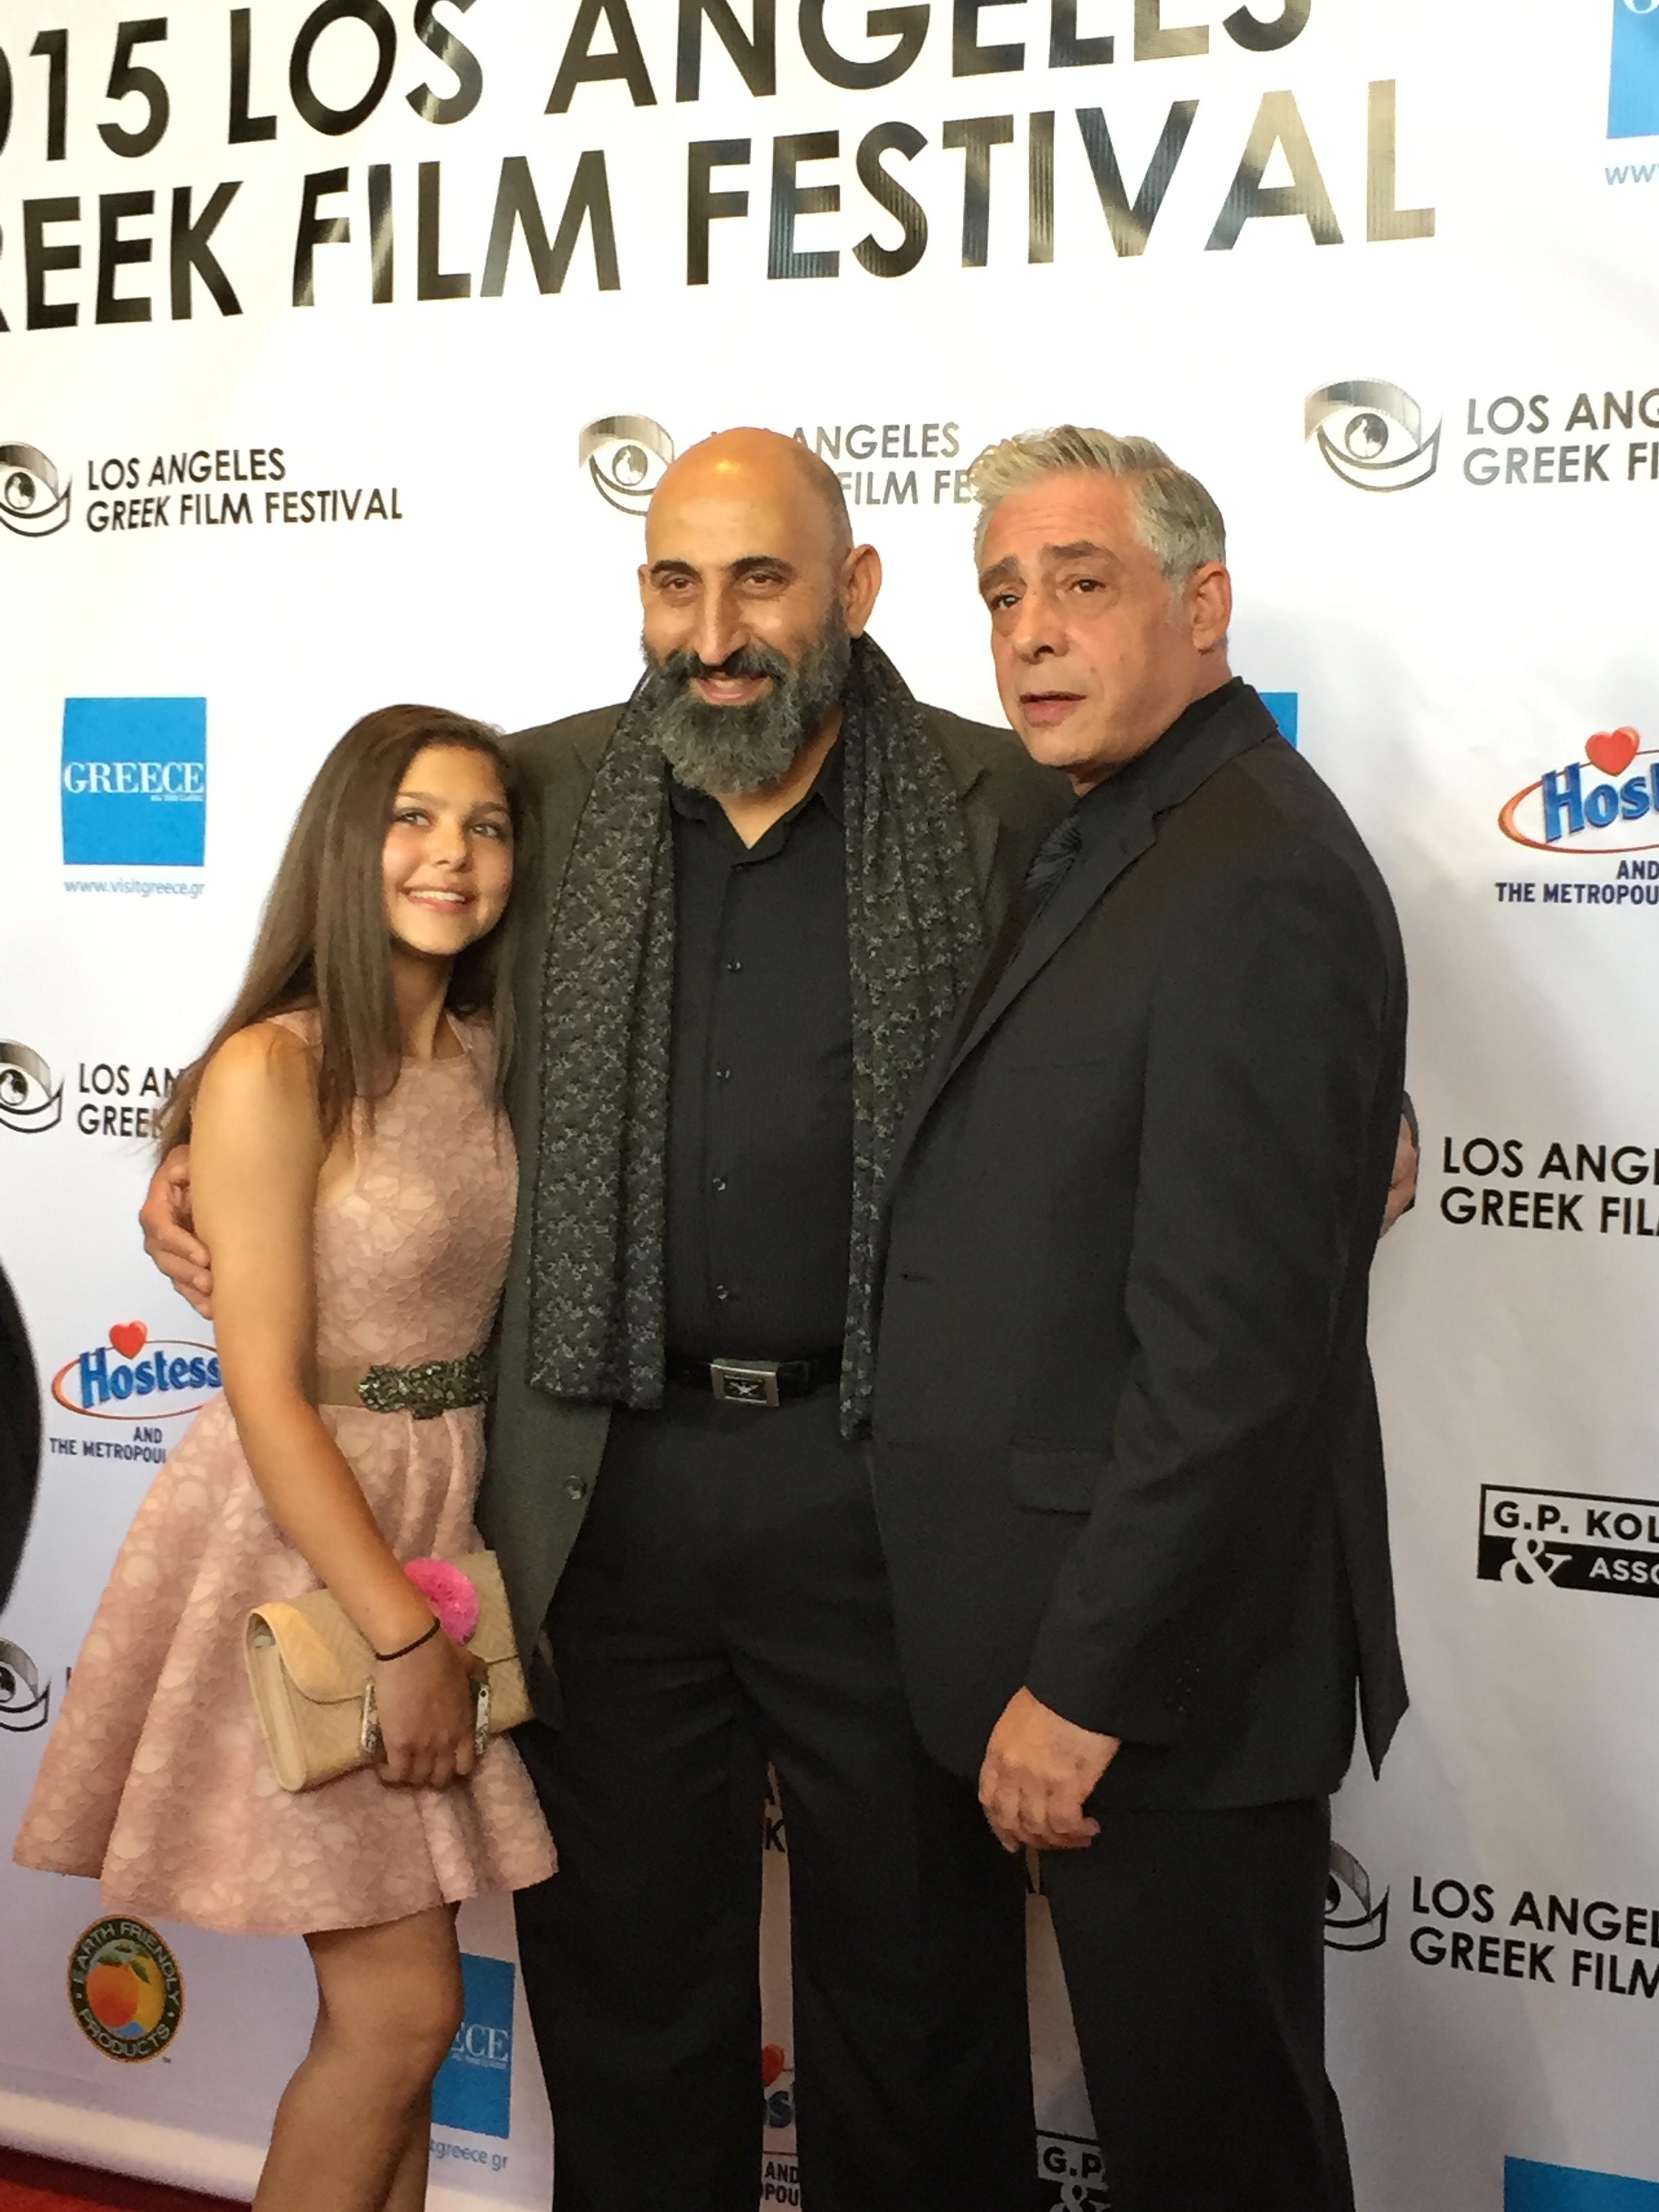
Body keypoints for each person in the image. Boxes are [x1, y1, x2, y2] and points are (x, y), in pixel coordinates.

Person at [143, 431, 1064, 2212]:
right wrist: (189, 1138)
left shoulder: (1003, 807)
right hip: (602, 1497)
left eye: (761, 580)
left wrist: (1365, 1115)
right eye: (674, 581)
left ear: (854, 592)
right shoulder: (540, 799)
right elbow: (348, 1002)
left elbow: (1163, 1012)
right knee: (629, 2001)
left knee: (924, 1995)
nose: (713, 632)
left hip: (881, 1488)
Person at [869, 426, 1410, 2212]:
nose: (1031, 632)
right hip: (1078, 1644)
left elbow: (1237, 1361)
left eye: (1081, 585)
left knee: (1220, 2158)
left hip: (1158, 1684)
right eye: (1005, 593)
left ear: (1206, 604)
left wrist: (1087, 1687)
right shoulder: (1128, 829)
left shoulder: (1252, 870)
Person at [18, 706, 554, 2212]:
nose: (453, 853)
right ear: (344, 841)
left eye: (487, 824)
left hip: (452, 1506)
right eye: (414, 818)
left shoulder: (496, 1054)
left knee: (413, 2016)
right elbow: (264, 1391)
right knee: (399, 2014)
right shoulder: (274, 1070)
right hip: (310, 1537)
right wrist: (401, 1637)